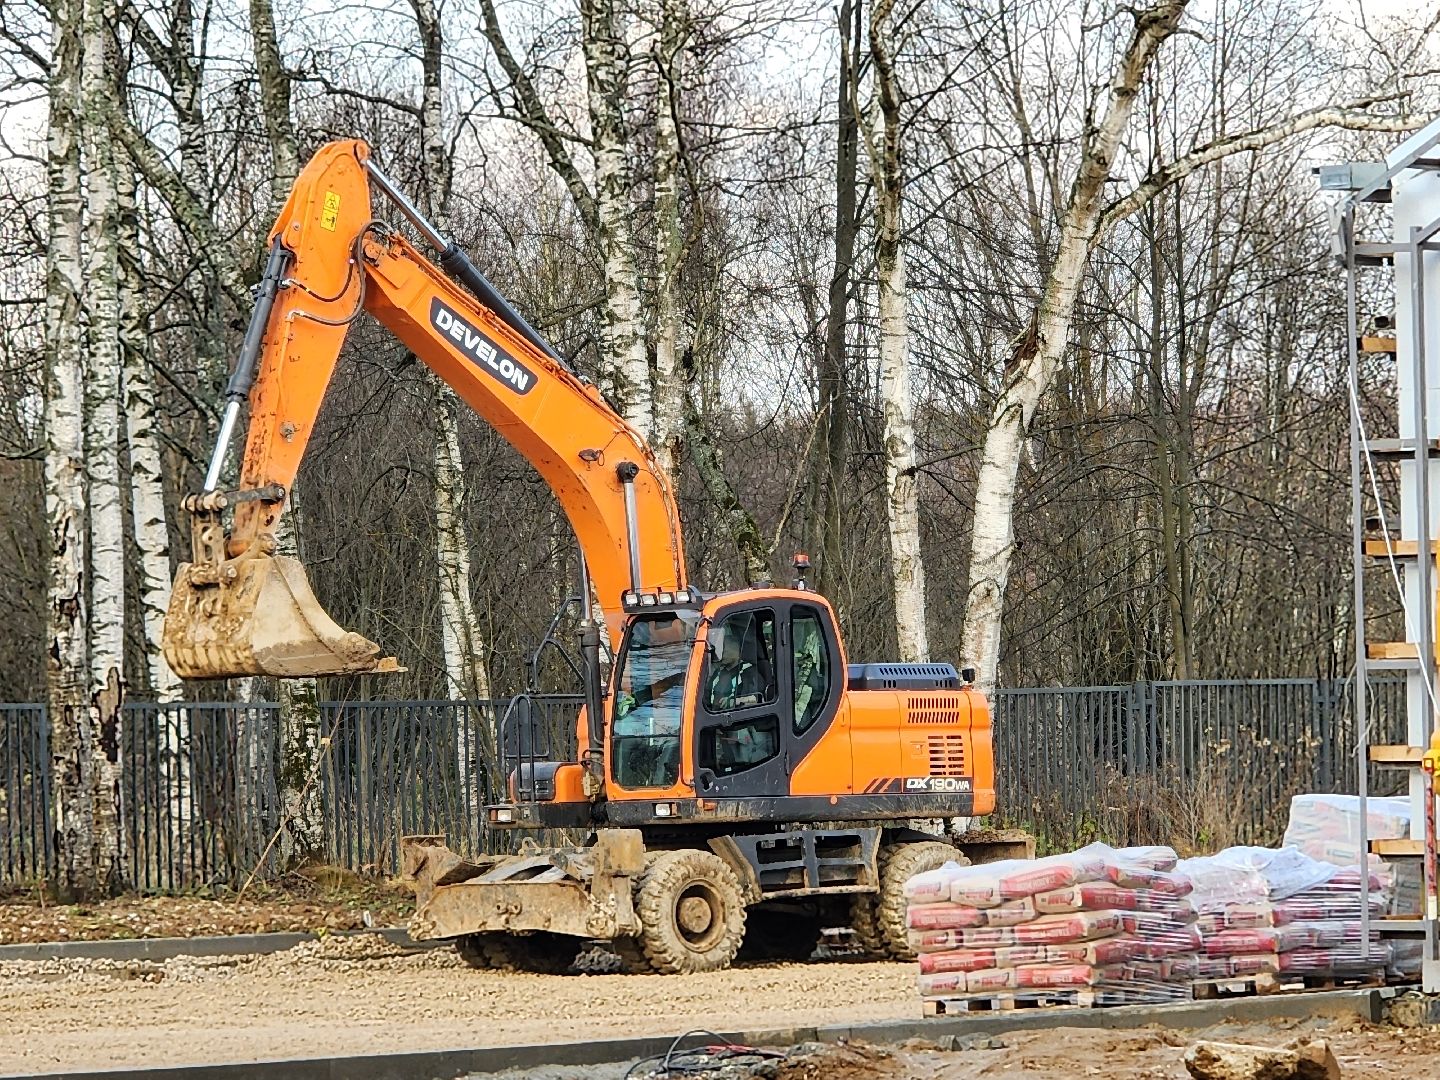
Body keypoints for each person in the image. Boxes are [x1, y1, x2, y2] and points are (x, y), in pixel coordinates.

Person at [707, 623, 764, 711]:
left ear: (737, 649)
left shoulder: (749, 672)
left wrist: (734, 701)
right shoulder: (717, 673)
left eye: (724, 649)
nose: (720, 654)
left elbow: (755, 699)